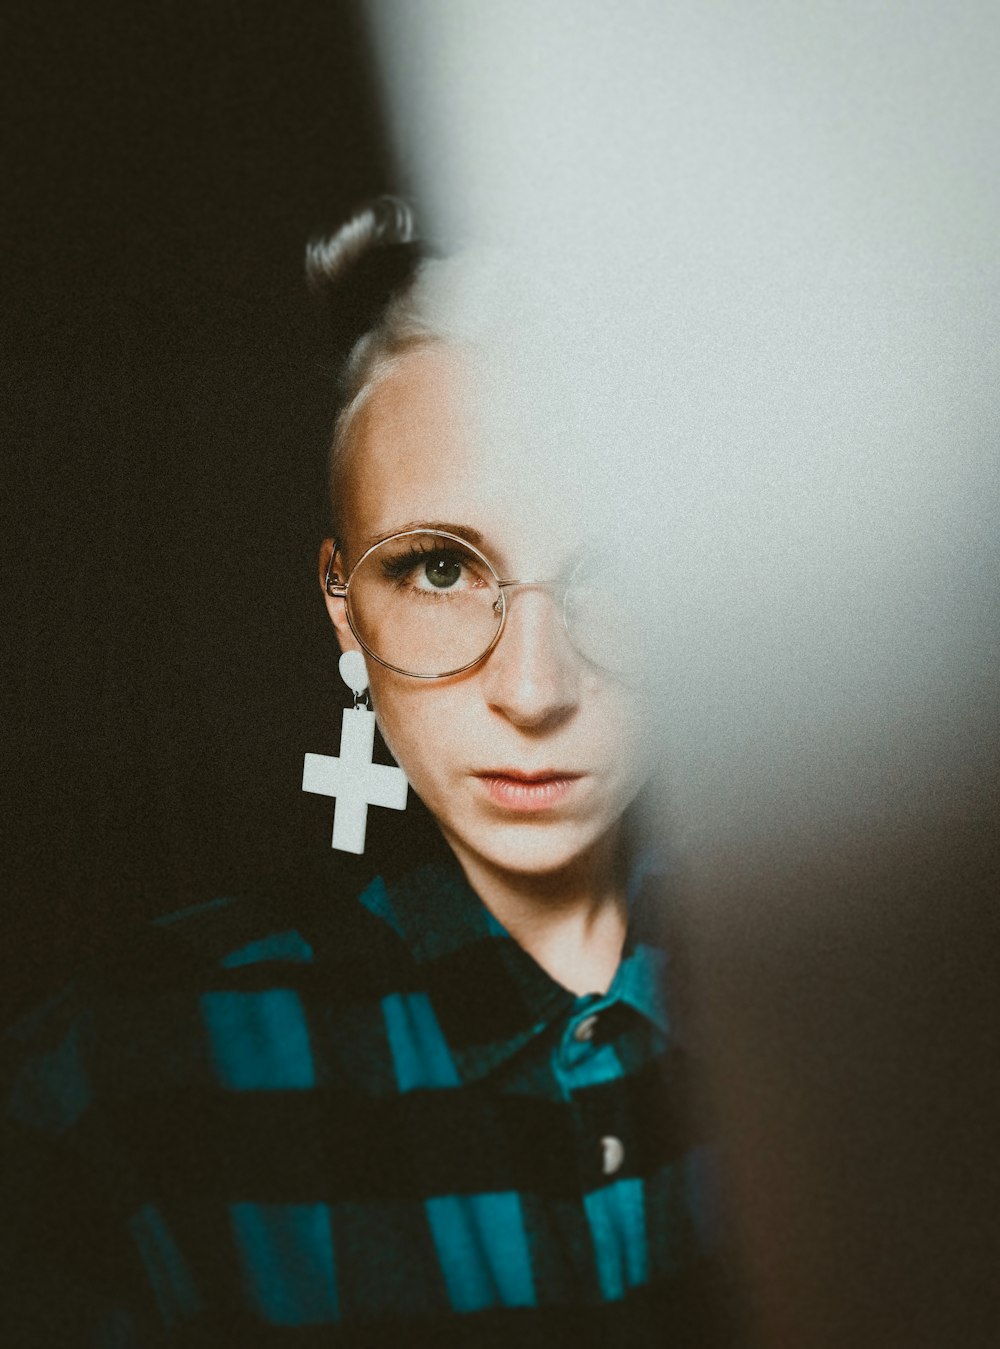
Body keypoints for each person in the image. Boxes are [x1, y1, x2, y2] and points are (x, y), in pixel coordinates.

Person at [2, 199, 729, 1346]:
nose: (532, 689)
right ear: (344, 604)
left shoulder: (869, 1022)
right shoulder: (115, 1089)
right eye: (438, 567)